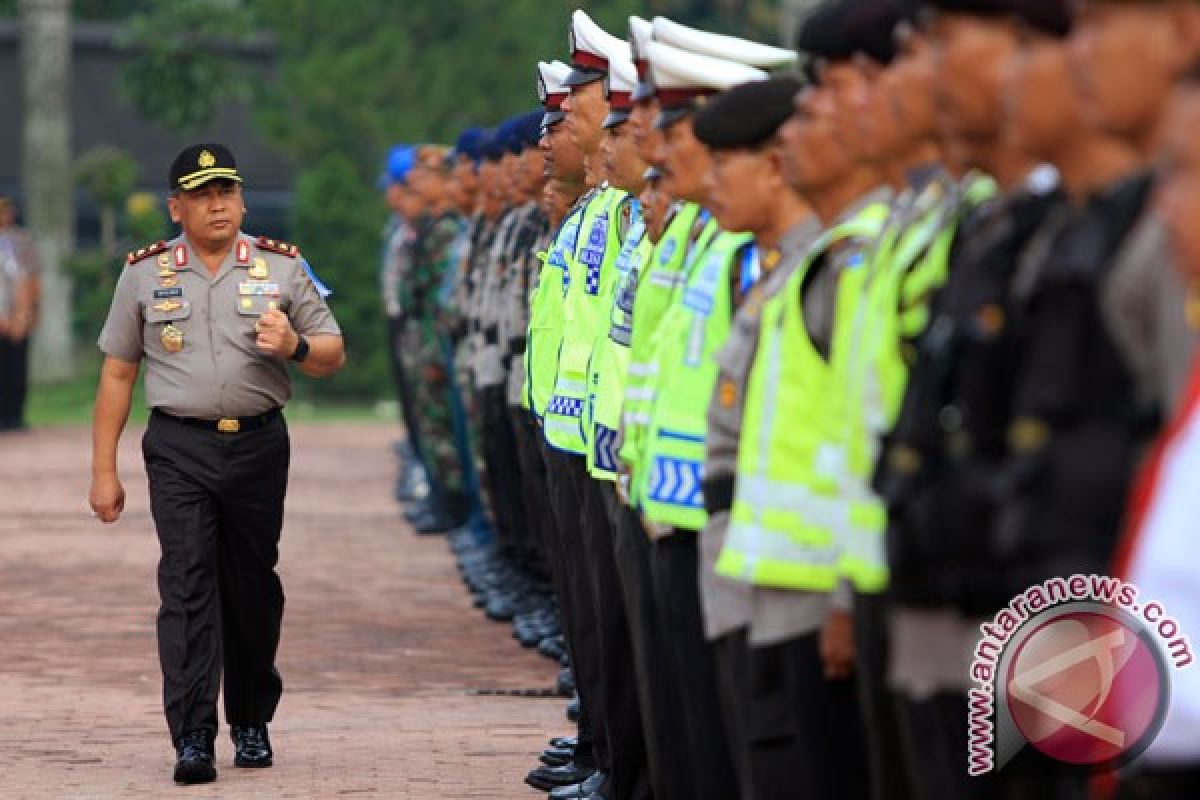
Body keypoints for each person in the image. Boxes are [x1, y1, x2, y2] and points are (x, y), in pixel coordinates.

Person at [88, 143, 344, 785]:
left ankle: (251, 718)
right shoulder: (144, 274)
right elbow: (119, 372)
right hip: (179, 448)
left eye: (226, 190)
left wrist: (296, 344)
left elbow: (333, 351)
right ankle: (194, 734)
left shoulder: (281, 267)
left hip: (258, 446)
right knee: (188, 582)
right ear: (176, 206)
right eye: (202, 194)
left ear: (243, 199)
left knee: (253, 586)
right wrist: (103, 469)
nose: (218, 203)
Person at [0, 194, 40, 432]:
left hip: (18, 314)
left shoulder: (23, 240)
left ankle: (15, 415)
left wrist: (30, 311)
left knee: (16, 366)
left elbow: (32, 276)